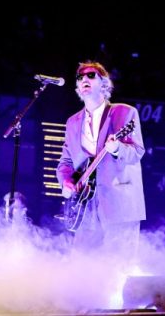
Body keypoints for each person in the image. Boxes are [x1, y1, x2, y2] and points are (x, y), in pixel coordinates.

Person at [56, 61, 146, 264]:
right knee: (81, 266)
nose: (84, 79)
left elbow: (137, 152)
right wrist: (66, 183)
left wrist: (117, 149)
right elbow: (66, 162)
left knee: (118, 267)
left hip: (119, 202)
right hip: (86, 207)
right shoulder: (72, 122)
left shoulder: (124, 112)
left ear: (104, 84)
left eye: (91, 75)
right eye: (80, 78)